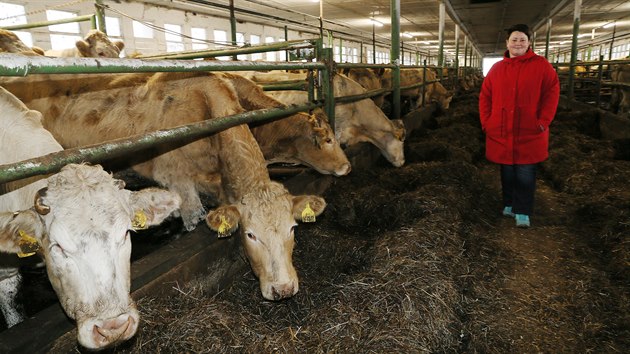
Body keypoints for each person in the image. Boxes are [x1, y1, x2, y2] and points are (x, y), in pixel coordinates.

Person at [479, 23, 560, 228]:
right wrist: (487, 122)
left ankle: (522, 210)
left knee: (525, 172)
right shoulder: (497, 69)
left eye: (522, 40)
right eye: (514, 40)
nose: (518, 43)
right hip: (502, 129)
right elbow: (485, 97)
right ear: (507, 43)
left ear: (529, 43)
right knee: (507, 171)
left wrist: (543, 121)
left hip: (530, 130)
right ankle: (508, 203)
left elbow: (552, 92)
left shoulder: (542, 66)